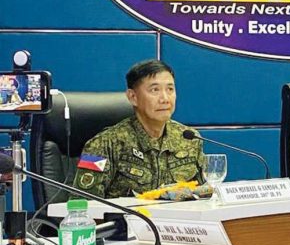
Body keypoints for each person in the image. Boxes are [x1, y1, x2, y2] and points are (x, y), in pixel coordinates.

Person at [73, 59, 205, 198]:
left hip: (180, 219)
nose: (165, 98)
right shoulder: (103, 144)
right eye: (155, 90)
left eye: (170, 89)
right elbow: (82, 204)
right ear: (133, 97)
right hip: (127, 219)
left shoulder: (189, 139)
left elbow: (203, 195)